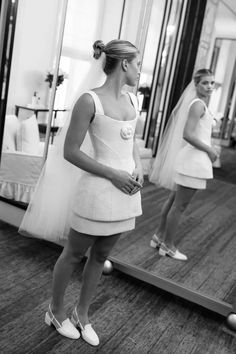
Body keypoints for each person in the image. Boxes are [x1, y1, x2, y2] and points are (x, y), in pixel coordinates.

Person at [20, 39, 143, 346]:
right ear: (124, 64)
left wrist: (137, 165)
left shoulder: (133, 101)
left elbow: (132, 144)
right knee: (74, 254)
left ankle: (82, 314)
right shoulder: (89, 101)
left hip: (126, 192)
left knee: (101, 255)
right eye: (137, 63)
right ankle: (56, 311)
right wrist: (112, 173)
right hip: (97, 190)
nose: (140, 70)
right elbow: (70, 152)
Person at [149, 69, 218, 261]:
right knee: (179, 206)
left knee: (173, 201)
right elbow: (187, 134)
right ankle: (168, 246)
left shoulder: (200, 104)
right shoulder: (197, 105)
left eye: (212, 83)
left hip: (192, 160)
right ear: (196, 85)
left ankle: (158, 236)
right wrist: (210, 150)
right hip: (193, 162)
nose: (210, 86)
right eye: (205, 83)